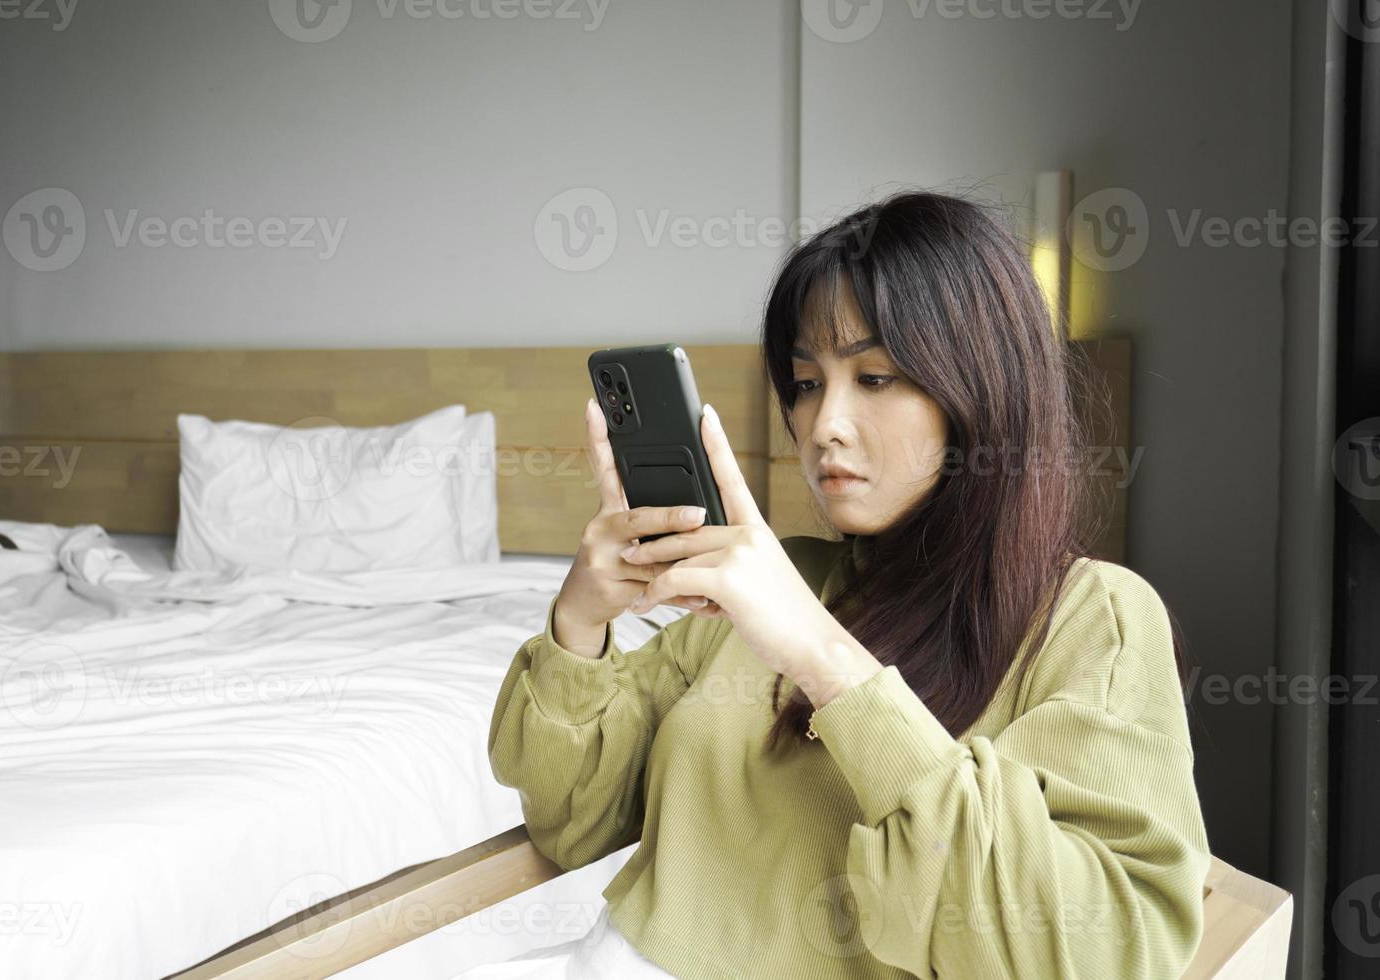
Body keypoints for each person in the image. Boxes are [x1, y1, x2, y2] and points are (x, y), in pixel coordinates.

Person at [460, 191, 1210, 979]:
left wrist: (824, 656)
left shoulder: (1095, 619)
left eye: (876, 377)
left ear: (985, 390)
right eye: (807, 382)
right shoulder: (772, 583)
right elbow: (573, 823)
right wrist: (580, 621)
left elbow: (1101, 952)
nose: (823, 426)